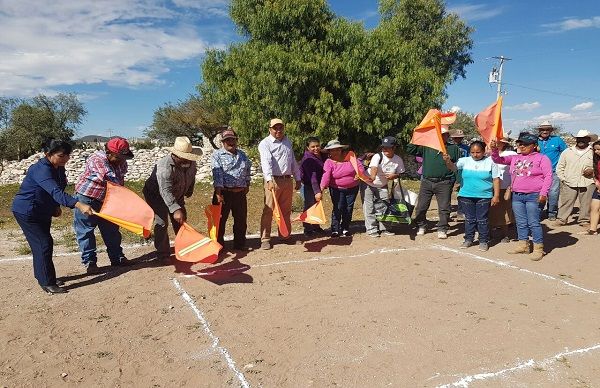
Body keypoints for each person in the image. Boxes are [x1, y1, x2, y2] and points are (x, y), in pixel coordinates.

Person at [12, 139, 94, 294]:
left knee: (44, 244)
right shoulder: (41, 170)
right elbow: (55, 191)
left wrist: (55, 206)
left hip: (42, 210)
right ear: (47, 154)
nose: (66, 159)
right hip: (27, 211)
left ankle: (45, 275)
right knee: (43, 244)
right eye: (61, 155)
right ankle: (47, 282)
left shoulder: (58, 167)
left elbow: (59, 187)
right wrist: (79, 204)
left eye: (67, 155)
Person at [73, 137, 133, 273]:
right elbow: (109, 178)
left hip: (108, 198)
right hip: (87, 198)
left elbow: (120, 180)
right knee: (86, 231)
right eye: (118, 157)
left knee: (111, 230)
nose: (121, 161)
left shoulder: (121, 162)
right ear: (108, 152)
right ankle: (90, 262)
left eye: (123, 157)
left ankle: (117, 257)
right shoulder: (96, 159)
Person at [491, 133, 552, 261]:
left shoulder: (542, 158)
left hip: (534, 195)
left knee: (534, 222)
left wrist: (543, 193)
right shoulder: (514, 157)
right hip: (517, 195)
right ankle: (523, 245)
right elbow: (498, 160)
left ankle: (538, 248)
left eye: (525, 144)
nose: (522, 146)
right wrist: (494, 150)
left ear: (534, 146)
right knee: (520, 222)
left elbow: (548, 176)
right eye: (520, 143)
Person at [143, 136, 199, 262]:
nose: (187, 160)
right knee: (162, 222)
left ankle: (183, 248)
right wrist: (175, 209)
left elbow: (192, 175)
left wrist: (189, 189)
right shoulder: (164, 166)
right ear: (175, 155)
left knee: (181, 220)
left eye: (189, 157)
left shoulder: (190, 162)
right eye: (184, 157)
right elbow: (165, 190)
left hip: (177, 193)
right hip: (156, 195)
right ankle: (163, 254)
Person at [406, 125, 461, 239]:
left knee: (444, 207)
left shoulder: (453, 148)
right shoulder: (427, 147)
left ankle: (442, 228)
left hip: (444, 182)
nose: (442, 136)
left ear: (448, 136)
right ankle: (421, 225)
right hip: (427, 181)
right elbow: (410, 149)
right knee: (421, 207)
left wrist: (458, 180)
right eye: (440, 135)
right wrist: (415, 135)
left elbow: (458, 166)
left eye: (444, 134)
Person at [444, 141, 500, 251]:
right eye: (472, 152)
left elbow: (496, 179)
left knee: (482, 220)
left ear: (484, 151)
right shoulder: (464, 161)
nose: (475, 154)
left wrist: (496, 195)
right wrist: (447, 161)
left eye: (478, 152)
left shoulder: (491, 162)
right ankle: (468, 239)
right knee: (469, 219)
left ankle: (483, 240)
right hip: (466, 195)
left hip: (484, 196)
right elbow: (453, 168)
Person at [258, 118, 301, 250]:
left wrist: (297, 177)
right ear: (270, 129)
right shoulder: (265, 143)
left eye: (280, 127)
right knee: (269, 210)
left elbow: (292, 160)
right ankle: (265, 238)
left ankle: (285, 235)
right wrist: (269, 179)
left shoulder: (287, 141)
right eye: (275, 128)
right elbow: (266, 162)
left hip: (287, 180)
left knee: (286, 210)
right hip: (273, 180)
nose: (278, 130)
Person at [211, 129, 252, 250]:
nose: (230, 142)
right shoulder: (217, 155)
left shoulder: (242, 155)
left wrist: (247, 185)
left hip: (240, 193)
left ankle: (240, 244)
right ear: (222, 142)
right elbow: (217, 173)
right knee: (220, 221)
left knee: (241, 220)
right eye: (227, 140)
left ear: (236, 140)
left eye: (232, 139)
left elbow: (247, 170)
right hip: (224, 193)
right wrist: (218, 192)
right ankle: (218, 246)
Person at [318, 140, 365, 237]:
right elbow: (326, 175)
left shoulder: (351, 158)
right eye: (332, 150)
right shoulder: (329, 162)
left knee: (348, 208)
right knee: (338, 208)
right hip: (337, 189)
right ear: (329, 152)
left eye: (337, 150)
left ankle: (345, 228)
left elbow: (360, 167)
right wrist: (321, 188)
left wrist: (359, 174)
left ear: (340, 150)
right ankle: (335, 229)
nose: (335, 152)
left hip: (353, 188)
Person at [363, 136, 405, 237]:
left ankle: (385, 228)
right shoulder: (377, 156)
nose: (385, 149)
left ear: (394, 147)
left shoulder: (398, 159)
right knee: (369, 207)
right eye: (383, 147)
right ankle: (371, 229)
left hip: (382, 185)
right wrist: (372, 177)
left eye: (388, 147)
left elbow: (401, 173)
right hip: (368, 183)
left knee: (384, 206)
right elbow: (374, 167)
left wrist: (395, 175)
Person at [554, 130, 596, 227]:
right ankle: (561, 219)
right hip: (569, 181)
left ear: (588, 140)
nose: (581, 140)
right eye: (579, 138)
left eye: (584, 138)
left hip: (588, 181)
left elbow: (597, 166)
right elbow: (560, 167)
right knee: (566, 201)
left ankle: (584, 220)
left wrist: (592, 171)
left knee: (586, 202)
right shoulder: (567, 152)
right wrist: (563, 179)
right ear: (576, 139)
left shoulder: (593, 152)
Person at [537, 121, 567, 220]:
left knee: (553, 193)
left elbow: (565, 153)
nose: (545, 131)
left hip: (554, 171)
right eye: (543, 129)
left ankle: (552, 213)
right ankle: (538, 211)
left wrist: (563, 167)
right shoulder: (534, 140)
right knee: (539, 192)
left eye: (547, 129)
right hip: (538, 172)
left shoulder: (557, 140)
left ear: (551, 131)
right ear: (539, 130)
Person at [489, 136, 517, 242]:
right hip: (490, 186)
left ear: (504, 143)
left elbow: (514, 171)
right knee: (490, 210)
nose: (496, 143)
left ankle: (505, 234)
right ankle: (490, 233)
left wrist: (511, 186)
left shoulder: (511, 155)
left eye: (499, 142)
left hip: (505, 186)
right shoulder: (488, 153)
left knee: (505, 211)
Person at [299, 136, 325, 236]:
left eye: (317, 146)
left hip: (317, 185)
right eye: (312, 147)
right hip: (308, 185)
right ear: (307, 148)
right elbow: (312, 177)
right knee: (309, 206)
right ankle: (307, 228)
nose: (315, 148)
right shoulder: (308, 158)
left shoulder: (321, 154)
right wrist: (317, 191)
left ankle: (316, 226)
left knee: (316, 206)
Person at [579, 140, 600, 235]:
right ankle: (593, 230)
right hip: (598, 186)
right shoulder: (597, 160)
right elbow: (596, 173)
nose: (596, 152)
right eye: (595, 150)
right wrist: (596, 181)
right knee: (594, 207)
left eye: (599, 149)